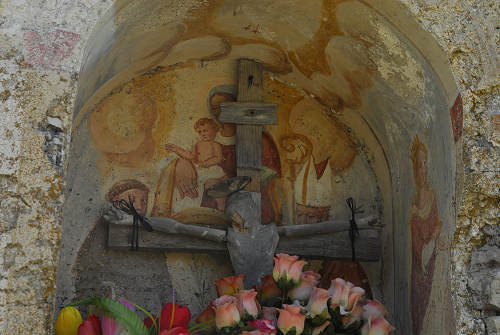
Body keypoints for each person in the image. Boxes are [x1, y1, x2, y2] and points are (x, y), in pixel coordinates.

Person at [73, 179, 172, 314]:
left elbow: (164, 281)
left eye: (144, 201)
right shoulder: (101, 231)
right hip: (115, 308)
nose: (139, 206)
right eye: (132, 199)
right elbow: (86, 272)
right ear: (115, 201)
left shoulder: (148, 233)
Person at [409, 136, 442, 335]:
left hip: (431, 256)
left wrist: (437, 228)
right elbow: (416, 230)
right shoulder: (415, 196)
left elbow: (436, 219)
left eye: (425, 163)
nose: (423, 168)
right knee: (418, 301)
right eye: (419, 165)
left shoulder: (430, 192)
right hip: (420, 259)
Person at [165, 118, 227, 211]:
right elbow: (190, 156)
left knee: (214, 186)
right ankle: (191, 207)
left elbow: (218, 158)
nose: (203, 134)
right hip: (200, 171)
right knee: (195, 187)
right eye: (200, 132)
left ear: (214, 130)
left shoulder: (215, 145)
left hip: (212, 170)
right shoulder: (197, 144)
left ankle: (221, 207)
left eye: (205, 130)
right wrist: (177, 149)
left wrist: (206, 163)